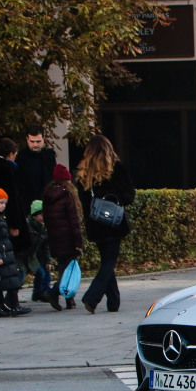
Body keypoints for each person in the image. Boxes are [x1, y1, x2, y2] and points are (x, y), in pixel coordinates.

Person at [75, 134, 135, 314]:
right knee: (109, 262)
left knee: (106, 261)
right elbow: (129, 196)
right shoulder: (117, 168)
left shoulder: (84, 173)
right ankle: (91, 297)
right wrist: (115, 199)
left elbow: (83, 198)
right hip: (113, 222)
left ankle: (114, 302)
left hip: (95, 222)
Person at [0, 189, 29, 318]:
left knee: (5, 281)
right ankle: (5, 306)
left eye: (5, 203)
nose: (3, 205)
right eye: (1, 202)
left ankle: (5, 306)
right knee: (1, 282)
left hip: (4, 255)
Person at [42, 164, 84, 311]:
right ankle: (53, 293)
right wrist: (78, 241)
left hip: (55, 238)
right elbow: (74, 220)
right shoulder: (68, 194)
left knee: (63, 268)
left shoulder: (48, 194)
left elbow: (46, 219)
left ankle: (69, 300)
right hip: (68, 238)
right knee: (69, 270)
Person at [17, 125, 57, 220]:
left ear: (43, 139)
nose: (35, 145)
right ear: (27, 139)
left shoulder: (49, 156)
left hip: (45, 201)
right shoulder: (20, 157)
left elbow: (53, 179)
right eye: (32, 141)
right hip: (26, 203)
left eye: (38, 141)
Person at [26, 200, 53, 304]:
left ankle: (43, 291)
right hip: (29, 253)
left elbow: (46, 246)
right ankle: (38, 292)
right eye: (42, 215)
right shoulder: (28, 226)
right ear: (34, 216)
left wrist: (48, 261)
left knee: (46, 272)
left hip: (39, 251)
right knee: (39, 272)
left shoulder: (44, 227)